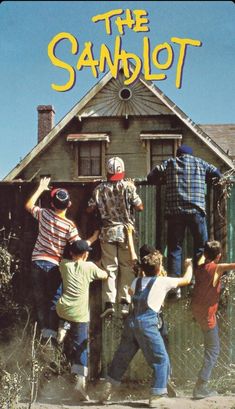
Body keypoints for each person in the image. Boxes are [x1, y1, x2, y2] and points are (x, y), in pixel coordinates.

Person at [99, 251, 193, 408]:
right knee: (161, 359)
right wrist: (189, 265)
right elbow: (186, 279)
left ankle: (107, 389)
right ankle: (157, 396)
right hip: (147, 324)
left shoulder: (137, 281)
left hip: (131, 323)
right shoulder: (163, 282)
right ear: (158, 268)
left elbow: (130, 292)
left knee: (122, 357)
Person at [25, 177, 98, 340]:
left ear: (52, 204)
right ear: (69, 204)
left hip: (36, 261)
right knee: (55, 299)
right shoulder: (69, 226)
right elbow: (79, 246)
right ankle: (53, 332)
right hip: (53, 265)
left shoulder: (44, 214)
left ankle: (45, 331)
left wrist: (40, 188)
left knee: (39, 298)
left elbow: (29, 205)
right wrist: (93, 238)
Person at [147, 144, 221, 299]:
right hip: (196, 211)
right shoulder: (200, 163)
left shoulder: (170, 163)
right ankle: (197, 281)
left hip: (176, 212)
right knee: (201, 247)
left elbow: (151, 175)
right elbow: (217, 173)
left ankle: (175, 287)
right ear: (191, 155)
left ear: (178, 154)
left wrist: (161, 179)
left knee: (175, 248)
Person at [87, 156, 144, 318]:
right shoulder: (128, 187)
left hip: (107, 231)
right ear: (122, 171)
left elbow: (89, 209)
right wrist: (132, 188)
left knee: (110, 268)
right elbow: (140, 207)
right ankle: (125, 303)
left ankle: (109, 303)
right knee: (126, 267)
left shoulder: (99, 189)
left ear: (107, 172)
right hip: (127, 232)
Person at [56, 239, 108, 401]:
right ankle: (80, 382)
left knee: (65, 315)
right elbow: (104, 275)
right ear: (86, 254)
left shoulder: (64, 265)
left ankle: (63, 327)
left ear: (71, 253)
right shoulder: (90, 267)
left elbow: (75, 261)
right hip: (80, 314)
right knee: (81, 345)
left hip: (63, 308)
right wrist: (97, 264)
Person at [191, 240, 235, 399]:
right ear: (219, 256)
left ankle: (201, 384)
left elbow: (203, 258)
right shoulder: (217, 268)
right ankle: (201, 386)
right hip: (207, 315)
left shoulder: (200, 266)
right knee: (213, 350)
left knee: (210, 346)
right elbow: (232, 266)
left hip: (197, 310)